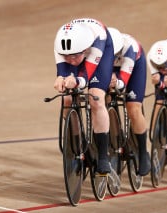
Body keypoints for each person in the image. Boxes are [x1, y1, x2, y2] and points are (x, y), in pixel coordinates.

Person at [53, 18, 114, 174]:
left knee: (96, 98)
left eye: (74, 57)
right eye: (66, 56)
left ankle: (102, 156)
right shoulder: (61, 44)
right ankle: (79, 143)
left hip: (102, 51)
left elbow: (85, 78)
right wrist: (61, 78)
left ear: (85, 49)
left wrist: (77, 81)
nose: (71, 61)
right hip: (76, 46)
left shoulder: (97, 43)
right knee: (67, 98)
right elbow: (62, 71)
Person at [107, 27, 150, 176]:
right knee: (102, 98)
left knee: (133, 109)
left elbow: (124, 80)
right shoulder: (99, 48)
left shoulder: (129, 48)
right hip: (111, 68)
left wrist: (117, 82)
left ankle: (143, 152)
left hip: (134, 66)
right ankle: (113, 135)